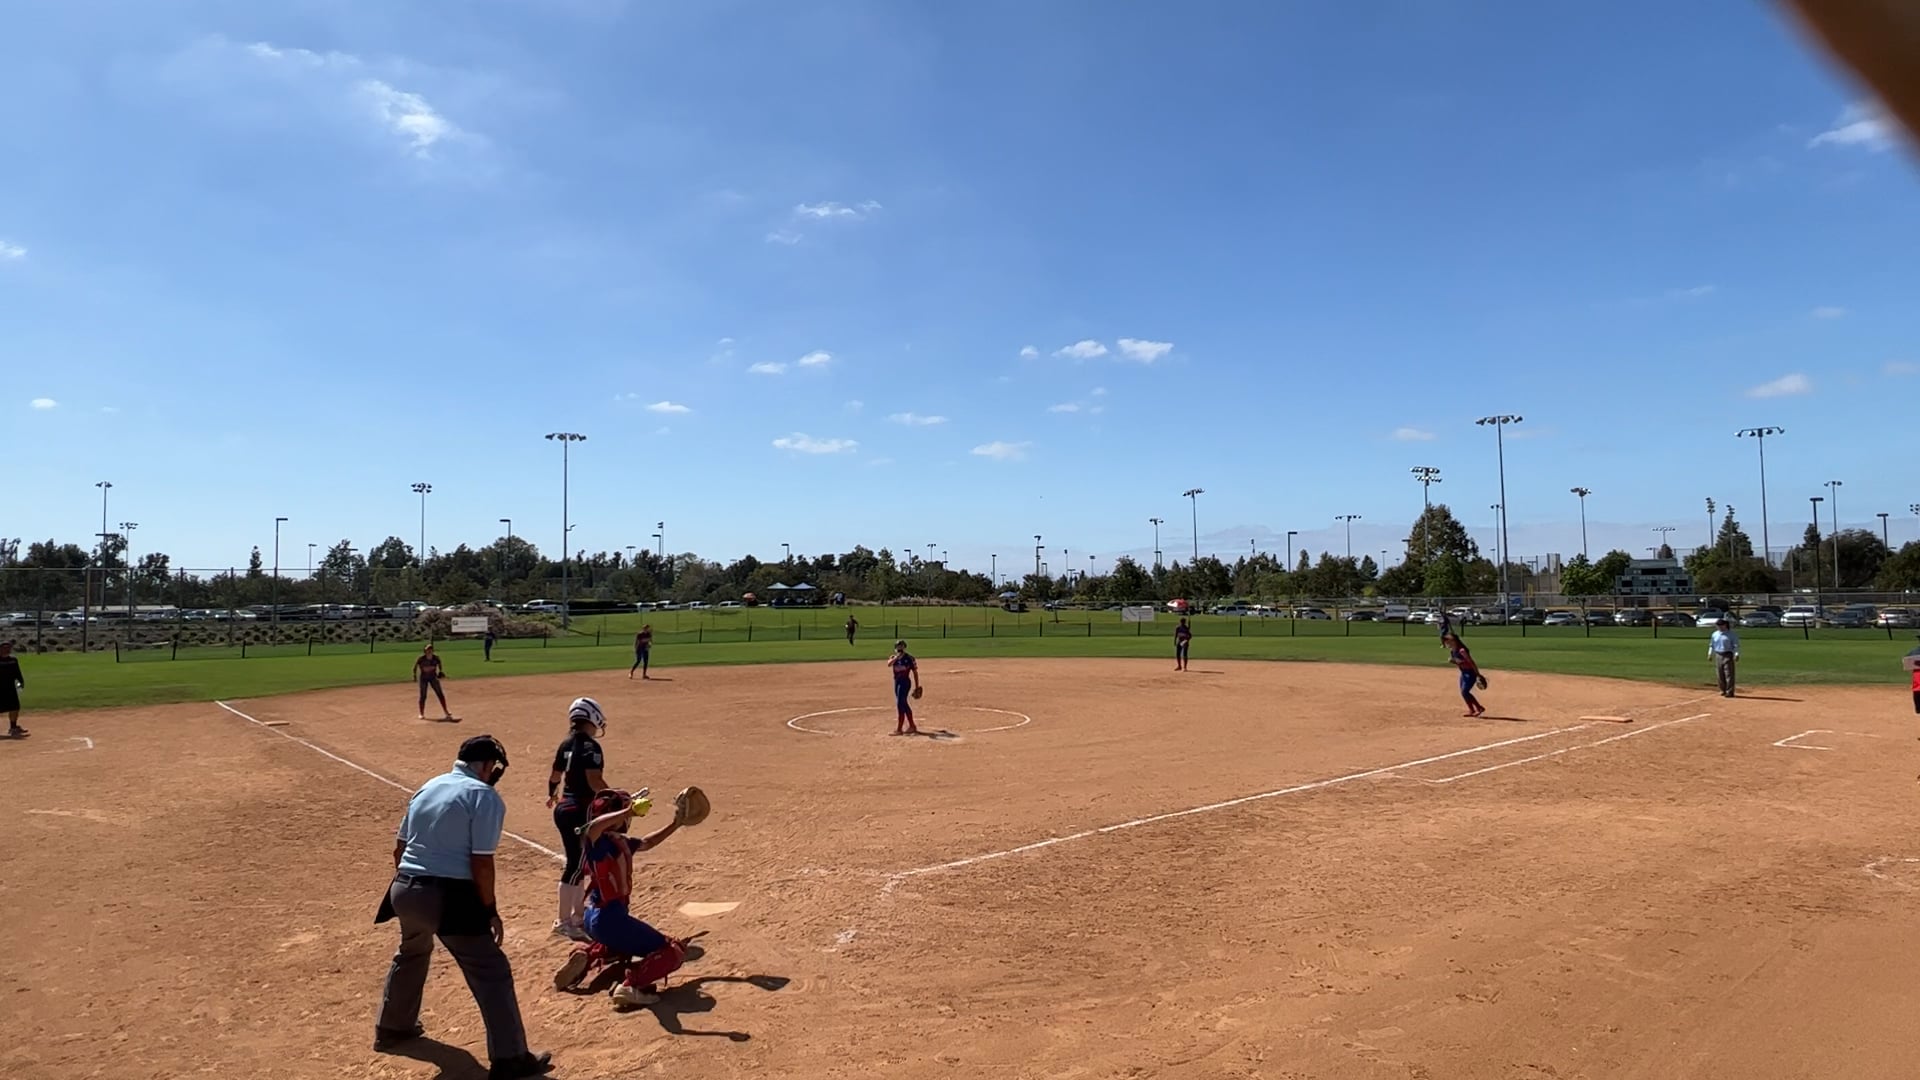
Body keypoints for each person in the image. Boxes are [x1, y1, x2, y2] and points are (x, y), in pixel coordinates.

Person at [376, 735, 551, 1080]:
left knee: (412, 952)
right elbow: (481, 863)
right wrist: (489, 909)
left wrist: (417, 889)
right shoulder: (483, 796)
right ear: (485, 766)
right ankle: (511, 1059)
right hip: (447, 895)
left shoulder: (428, 787)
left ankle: (392, 1027)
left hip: (404, 888)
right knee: (491, 970)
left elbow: (399, 849)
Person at [552, 788, 693, 1008]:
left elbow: (647, 842)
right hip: (610, 920)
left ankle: (588, 955)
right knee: (672, 951)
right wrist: (628, 811)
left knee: (622, 943)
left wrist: (675, 824)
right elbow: (593, 828)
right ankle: (631, 986)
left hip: (593, 918)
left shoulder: (617, 841)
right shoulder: (598, 843)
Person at [546, 697, 611, 942]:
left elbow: (555, 775)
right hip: (579, 811)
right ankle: (563, 921)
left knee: (578, 864)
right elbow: (594, 781)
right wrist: (615, 798)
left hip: (564, 807)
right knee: (575, 866)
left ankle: (577, 917)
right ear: (592, 717)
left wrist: (552, 794)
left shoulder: (566, 744)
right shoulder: (591, 747)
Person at [1443, 632, 1485, 718]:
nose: (1446, 642)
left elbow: (1471, 662)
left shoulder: (1462, 651)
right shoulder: (1452, 651)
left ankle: (1479, 708)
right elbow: (1460, 663)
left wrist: (1478, 674)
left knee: (1465, 691)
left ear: (1454, 641)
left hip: (1470, 673)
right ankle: (1472, 710)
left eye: (1447, 640)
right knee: (1463, 693)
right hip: (1464, 673)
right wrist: (1455, 662)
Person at [888, 639, 921, 736]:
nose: (899, 648)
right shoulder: (893, 657)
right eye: (898, 646)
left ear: (904, 647)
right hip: (897, 683)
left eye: (901, 646)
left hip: (905, 683)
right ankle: (912, 726)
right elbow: (889, 664)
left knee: (900, 704)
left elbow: (915, 672)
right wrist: (896, 658)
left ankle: (899, 729)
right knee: (903, 703)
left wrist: (917, 686)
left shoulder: (909, 658)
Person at [414, 644, 454, 721]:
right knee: (423, 696)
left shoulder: (436, 658)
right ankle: (421, 713)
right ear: (425, 651)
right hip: (423, 679)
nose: (429, 651)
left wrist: (440, 671)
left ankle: (446, 711)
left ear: (432, 651)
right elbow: (415, 667)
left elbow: (440, 664)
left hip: (433, 678)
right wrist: (414, 676)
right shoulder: (421, 659)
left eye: (430, 649)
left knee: (440, 694)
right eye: (427, 650)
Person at [1709, 619, 1740, 698]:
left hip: (1728, 654)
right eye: (1717, 626)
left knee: (1729, 674)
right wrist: (1710, 654)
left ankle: (1730, 691)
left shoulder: (1731, 634)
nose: (1719, 627)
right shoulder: (1715, 634)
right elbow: (1712, 645)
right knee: (1720, 674)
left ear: (1725, 625)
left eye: (1720, 625)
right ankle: (1722, 690)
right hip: (1718, 654)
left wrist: (1736, 654)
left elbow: (1735, 645)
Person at [1, 641, 24, 738]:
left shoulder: (13, 660)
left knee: (15, 707)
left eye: (8, 647)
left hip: (10, 687)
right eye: (4, 647)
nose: (7, 649)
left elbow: (17, 672)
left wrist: (21, 681)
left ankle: (13, 727)